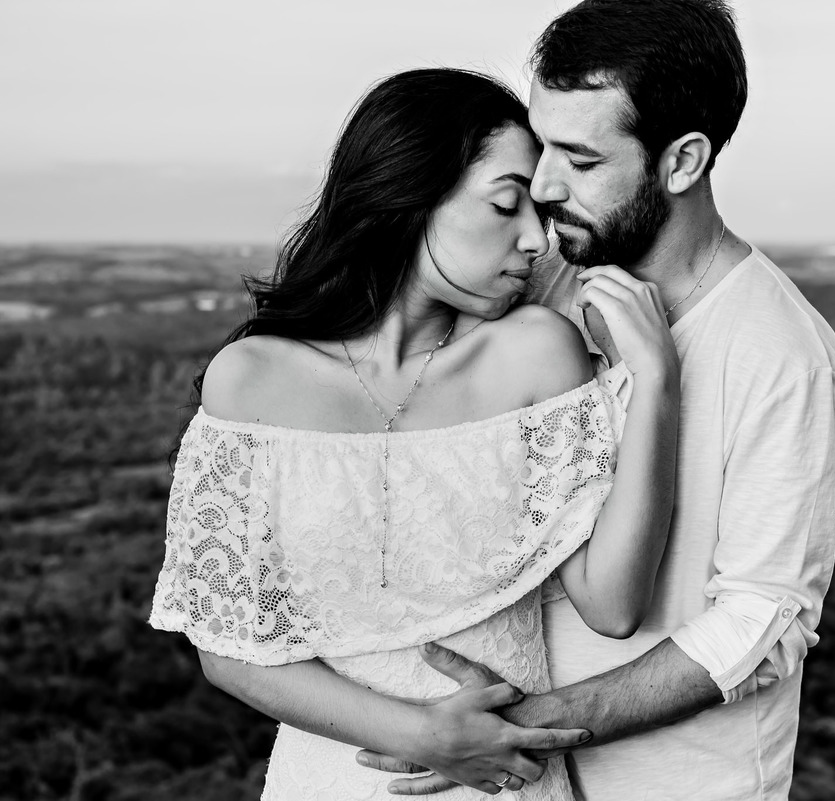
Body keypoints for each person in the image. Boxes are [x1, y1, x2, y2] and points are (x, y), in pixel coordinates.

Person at [360, 2, 835, 799]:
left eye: (582, 159)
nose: (545, 185)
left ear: (683, 161)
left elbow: (761, 621)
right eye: (543, 143)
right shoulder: (534, 282)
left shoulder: (781, 356)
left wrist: (526, 726)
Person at [148, 68, 682, 800]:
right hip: (331, 780)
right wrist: (421, 735)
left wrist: (655, 383)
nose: (536, 239)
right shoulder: (249, 381)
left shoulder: (533, 353)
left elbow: (614, 604)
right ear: (408, 195)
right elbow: (228, 649)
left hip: (506, 785)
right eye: (506, 205)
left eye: (539, 209)